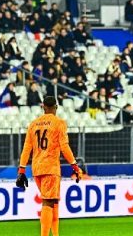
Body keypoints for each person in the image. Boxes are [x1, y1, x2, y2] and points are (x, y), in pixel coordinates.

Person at [16, 96, 83, 236]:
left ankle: (56, 234)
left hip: (37, 168)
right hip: (51, 167)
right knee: (48, 202)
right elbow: (64, 147)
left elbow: (26, 148)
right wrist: (75, 166)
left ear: (43, 107)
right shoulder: (59, 123)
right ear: (56, 107)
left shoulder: (33, 124)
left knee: (53, 201)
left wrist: (22, 169)